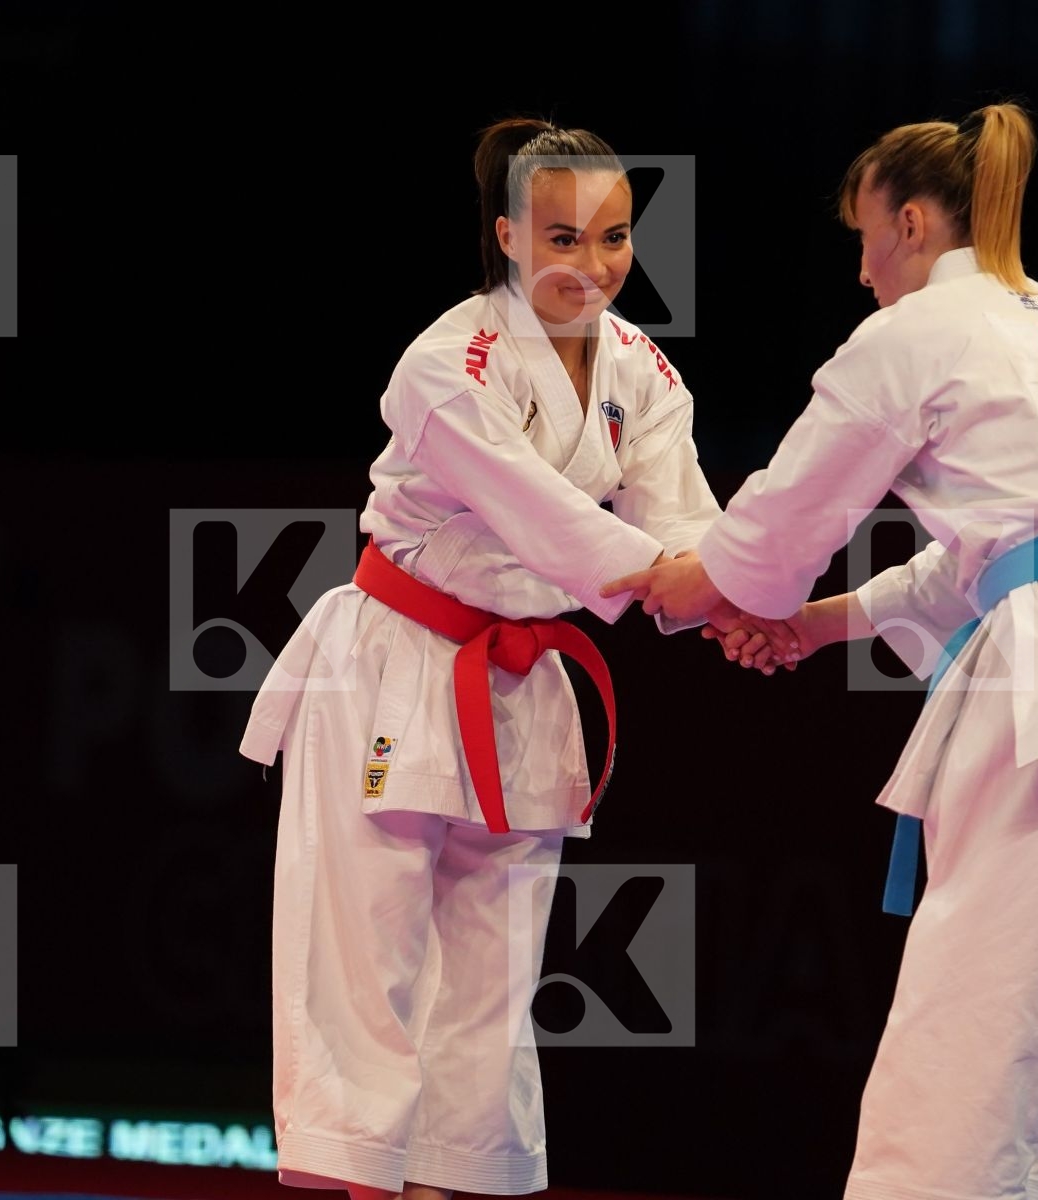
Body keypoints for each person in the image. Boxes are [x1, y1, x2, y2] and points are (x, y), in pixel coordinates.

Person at [605, 103, 1038, 1200]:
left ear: (913, 223)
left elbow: (788, 515)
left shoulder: (916, 331)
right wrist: (815, 620)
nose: (863, 271)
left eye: (864, 239)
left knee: (975, 1004)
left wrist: (693, 584)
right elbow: (1027, 539)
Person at [238, 118, 771, 1200]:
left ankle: (456, 1183)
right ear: (510, 237)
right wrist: (686, 585)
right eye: (564, 236)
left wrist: (740, 599)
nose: (593, 263)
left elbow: (681, 519)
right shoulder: (447, 364)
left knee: (491, 987)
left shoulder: (638, 367)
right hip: (397, 663)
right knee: (366, 977)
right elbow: (546, 523)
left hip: (522, 682)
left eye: (615, 236)